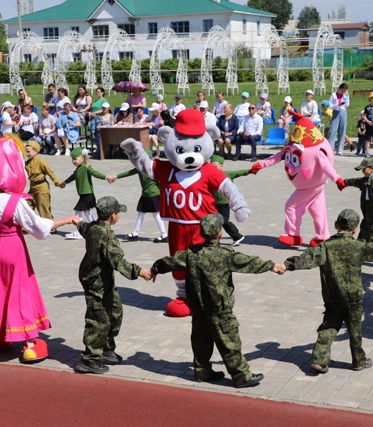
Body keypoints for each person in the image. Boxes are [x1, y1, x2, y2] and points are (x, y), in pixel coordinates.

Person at [0, 137, 80, 360]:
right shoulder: (14, 201)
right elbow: (38, 228)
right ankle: (31, 343)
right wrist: (66, 220)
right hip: (13, 247)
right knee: (20, 290)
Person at [150, 213, 285, 388]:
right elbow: (249, 262)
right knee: (230, 342)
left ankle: (202, 371)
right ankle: (241, 376)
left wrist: (154, 269)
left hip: (198, 308)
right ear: (220, 233)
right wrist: (272, 266)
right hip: (219, 309)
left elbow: (168, 261)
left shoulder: (190, 254)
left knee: (200, 340)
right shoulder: (225, 255)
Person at [283, 208, 373, 373]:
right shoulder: (359, 245)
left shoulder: (325, 247)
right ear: (355, 229)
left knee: (329, 325)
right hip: (353, 297)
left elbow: (307, 258)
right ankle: (359, 361)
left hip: (332, 296)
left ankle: (319, 360)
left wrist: (286, 265)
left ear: (336, 225)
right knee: (354, 329)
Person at [75, 196, 152, 374]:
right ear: (113, 215)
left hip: (104, 280)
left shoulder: (93, 226)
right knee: (99, 319)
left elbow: (83, 228)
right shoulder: (106, 235)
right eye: (118, 213)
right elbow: (117, 259)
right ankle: (89, 359)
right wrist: (138, 271)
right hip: (96, 282)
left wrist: (75, 221)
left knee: (115, 312)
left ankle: (106, 349)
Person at [107, 151, 166, 243]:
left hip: (153, 194)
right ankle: (135, 233)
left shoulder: (155, 167)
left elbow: (163, 177)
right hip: (145, 194)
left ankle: (164, 235)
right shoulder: (140, 167)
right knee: (141, 213)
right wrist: (115, 177)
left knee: (156, 214)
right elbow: (129, 172)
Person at [341, 157, 373, 250]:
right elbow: (356, 181)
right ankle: (358, 254)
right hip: (367, 212)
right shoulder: (365, 180)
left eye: (364, 169)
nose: (362, 171)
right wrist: (346, 182)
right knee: (364, 233)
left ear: (372, 168)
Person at [63, 149, 106, 238]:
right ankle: (96, 229)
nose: (73, 161)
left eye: (75, 159)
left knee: (78, 211)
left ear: (82, 158)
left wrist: (106, 177)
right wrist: (64, 182)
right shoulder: (79, 168)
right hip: (84, 194)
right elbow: (73, 177)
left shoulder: (86, 167)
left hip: (87, 194)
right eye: (72, 159)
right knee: (87, 212)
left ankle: (78, 232)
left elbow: (96, 173)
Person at [208, 155, 249, 246]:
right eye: (211, 166)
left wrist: (250, 170)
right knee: (216, 221)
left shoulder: (227, 174)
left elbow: (239, 172)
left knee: (224, 221)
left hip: (224, 203)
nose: (213, 168)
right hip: (214, 203)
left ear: (221, 166)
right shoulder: (210, 176)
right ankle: (216, 241)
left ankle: (237, 236)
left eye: (215, 167)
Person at [23, 140, 63, 222]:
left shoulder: (41, 162)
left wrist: (58, 183)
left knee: (43, 209)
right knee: (27, 206)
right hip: (32, 188)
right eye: (25, 152)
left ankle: (50, 228)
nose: (26, 154)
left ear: (35, 151)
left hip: (42, 188)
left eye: (28, 152)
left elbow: (51, 173)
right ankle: (24, 226)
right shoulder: (27, 163)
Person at [328, 83, 350, 155]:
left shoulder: (345, 95)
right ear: (339, 88)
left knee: (342, 130)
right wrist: (337, 105)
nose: (343, 92)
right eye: (342, 90)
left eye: (344, 90)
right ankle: (330, 148)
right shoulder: (334, 95)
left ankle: (340, 149)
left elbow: (347, 105)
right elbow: (330, 105)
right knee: (333, 130)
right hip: (336, 111)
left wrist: (347, 96)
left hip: (343, 112)